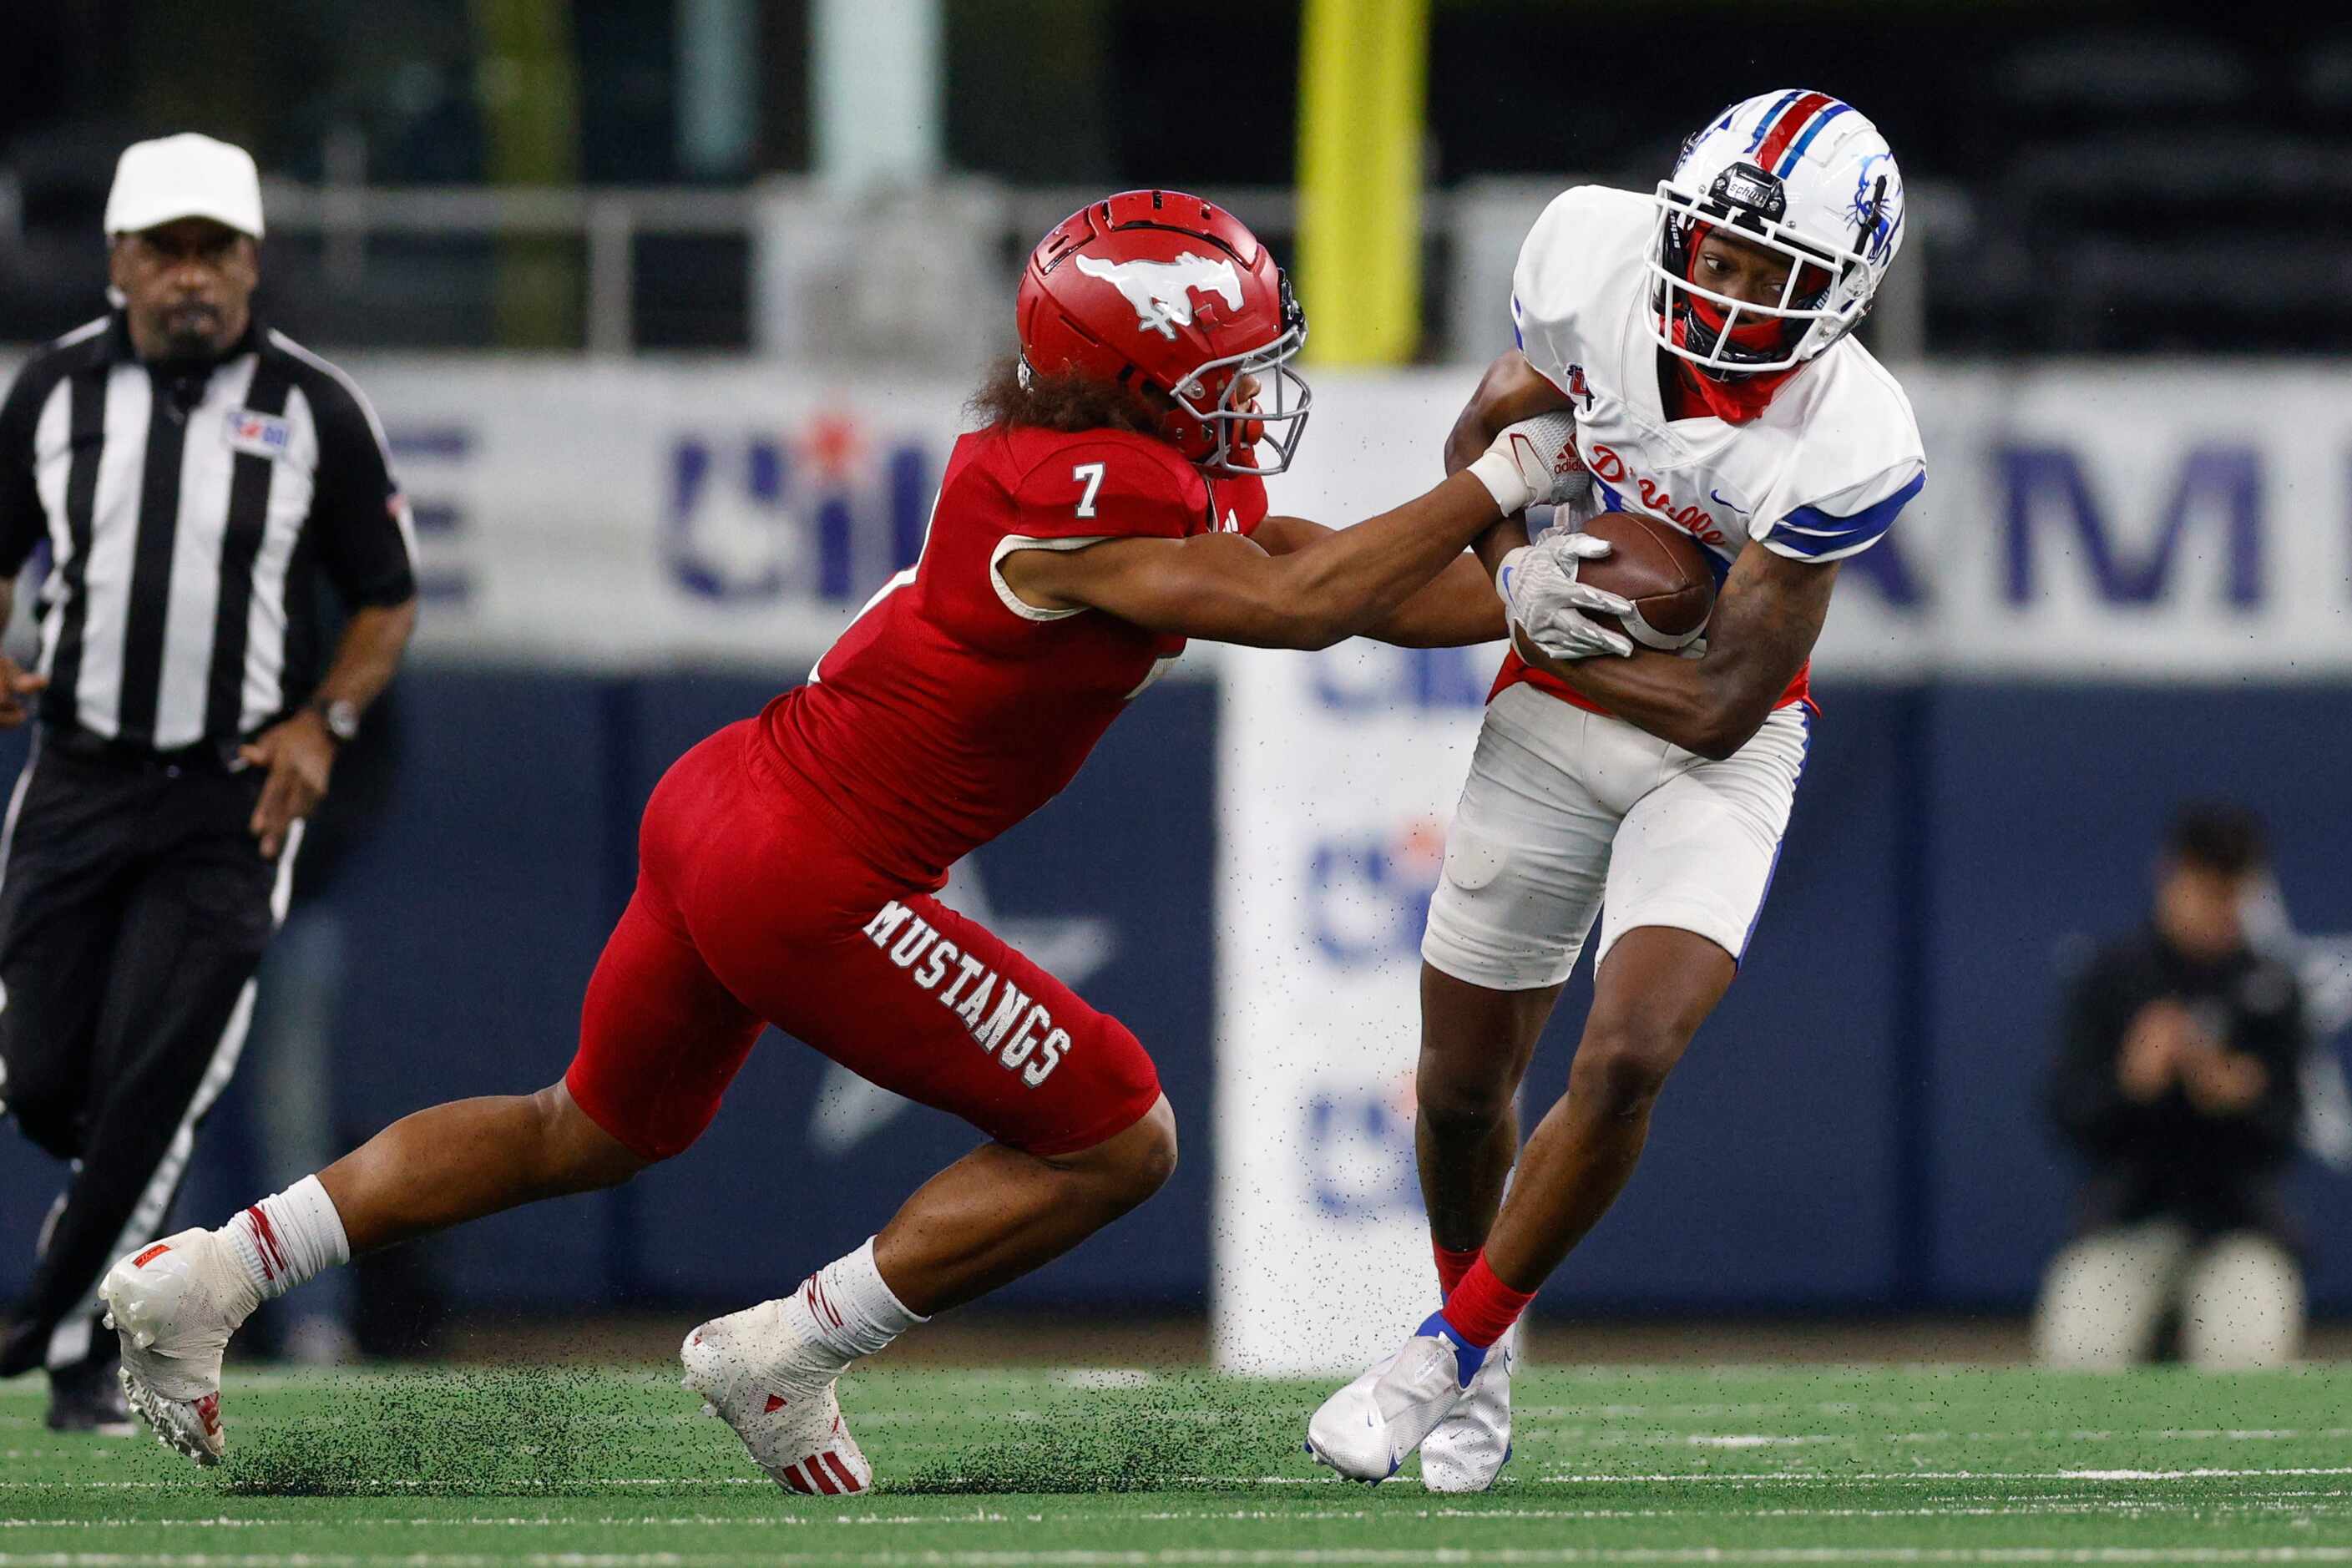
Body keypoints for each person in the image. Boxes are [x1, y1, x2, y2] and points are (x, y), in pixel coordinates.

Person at [98, 190, 1587, 1492]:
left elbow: (1323, 572)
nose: (1256, 390)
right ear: (1136, 379)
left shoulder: (1105, 455)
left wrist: (1541, 593)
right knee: (1117, 1133)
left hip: (730, 801)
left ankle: (216, 1269)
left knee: (591, 1125)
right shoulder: (1077, 490)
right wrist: (1504, 485)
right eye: (1222, 367)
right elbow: (1302, 605)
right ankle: (787, 1347)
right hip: (813, 867)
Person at [1308, 91, 1926, 1488]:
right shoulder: (1590, 256)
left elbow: (1718, 701)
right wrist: (1513, 551)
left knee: (1631, 1048)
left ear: (1839, 293)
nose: (1720, 285)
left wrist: (1538, 620)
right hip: (1551, 714)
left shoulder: (1849, 431)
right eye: (1709, 249)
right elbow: (1486, 423)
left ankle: (1441, 1354)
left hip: (1723, 736)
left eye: (1768, 273)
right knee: (1460, 1089)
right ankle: (1483, 1346)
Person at [0, 134, 417, 1433]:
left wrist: (323, 720)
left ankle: (79, 1351)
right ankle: (87, 1298)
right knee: (42, 1075)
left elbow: (387, 599)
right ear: (118, 261)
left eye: (215, 251)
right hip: (75, 779)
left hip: (224, 800)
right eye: (165, 251)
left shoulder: (315, 407)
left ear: (251, 262)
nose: (192, 278)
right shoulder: (52, 394)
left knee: (157, 1086)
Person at [2034, 804, 2307, 1370]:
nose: (2216, 911)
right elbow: (2066, 1115)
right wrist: (2129, 1083)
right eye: (2204, 891)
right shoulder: (2111, 979)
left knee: (2248, 1357)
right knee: (2079, 1352)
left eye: (2230, 894)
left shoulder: (2271, 988)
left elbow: (2286, 1131)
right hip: (2126, 1219)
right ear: (2170, 875)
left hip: (2237, 1225)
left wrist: (2240, 1100)